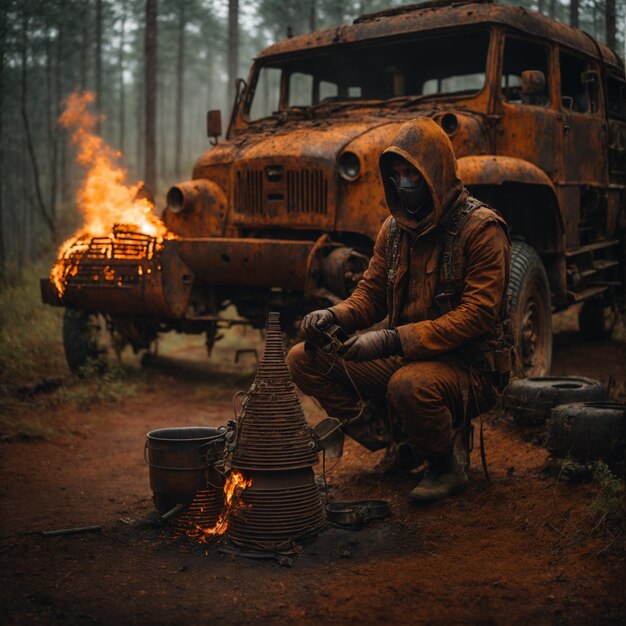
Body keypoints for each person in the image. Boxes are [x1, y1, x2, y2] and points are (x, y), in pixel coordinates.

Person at [286, 117, 513, 502]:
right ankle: (398, 441)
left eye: (413, 172)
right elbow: (369, 296)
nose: (405, 182)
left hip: (471, 366)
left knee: (409, 385)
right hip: (406, 356)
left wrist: (390, 340)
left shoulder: (481, 230)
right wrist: (334, 316)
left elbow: (478, 314)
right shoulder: (393, 230)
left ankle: (446, 466)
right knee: (302, 359)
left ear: (436, 172)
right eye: (398, 173)